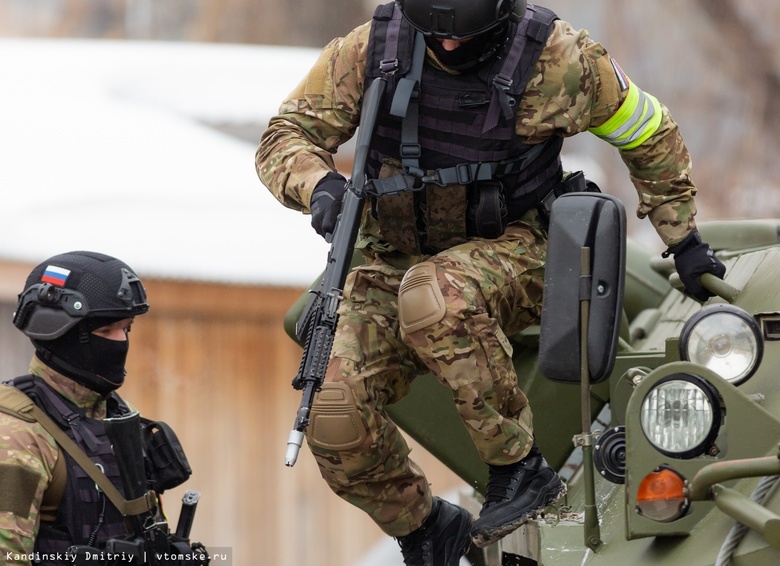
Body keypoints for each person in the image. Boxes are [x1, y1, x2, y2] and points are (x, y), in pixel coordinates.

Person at [256, 0, 727, 563]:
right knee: (333, 413)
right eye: (437, 36)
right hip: (390, 256)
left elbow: (648, 130)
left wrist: (683, 239)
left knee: (434, 296)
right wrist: (318, 185)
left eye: (467, 38)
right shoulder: (372, 50)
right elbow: (284, 135)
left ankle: (518, 468)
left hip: (521, 247)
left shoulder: (556, 58)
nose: (450, 46)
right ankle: (429, 531)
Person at [0, 251, 200, 565]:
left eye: (127, 328)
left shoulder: (116, 414)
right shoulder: (18, 435)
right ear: (59, 333)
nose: (121, 342)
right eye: (106, 332)